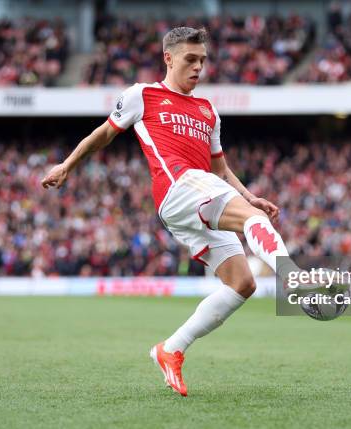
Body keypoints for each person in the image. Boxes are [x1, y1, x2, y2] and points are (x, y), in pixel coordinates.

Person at [41, 27, 295, 397]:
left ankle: (170, 349)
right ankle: (294, 278)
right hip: (177, 189)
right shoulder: (143, 94)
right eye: (190, 60)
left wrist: (249, 196)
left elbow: (220, 170)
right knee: (252, 223)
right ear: (169, 58)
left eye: (203, 61)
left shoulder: (208, 111)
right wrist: (67, 164)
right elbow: (103, 134)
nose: (198, 68)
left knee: (243, 283)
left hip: (201, 192)